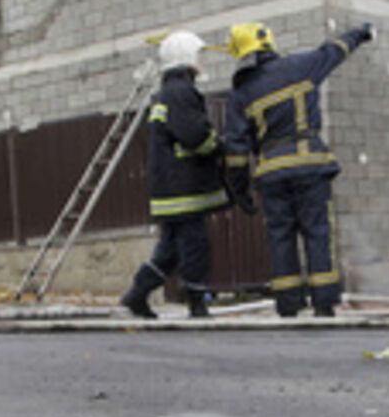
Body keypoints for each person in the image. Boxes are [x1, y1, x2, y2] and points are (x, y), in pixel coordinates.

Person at [223, 20, 374, 318]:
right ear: (269, 43)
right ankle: (323, 303)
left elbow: (236, 151)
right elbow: (336, 49)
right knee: (317, 232)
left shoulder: (241, 94)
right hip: (310, 167)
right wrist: (361, 32)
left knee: (280, 236)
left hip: (271, 175)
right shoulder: (302, 65)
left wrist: (239, 191)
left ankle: (288, 304)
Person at [119, 31, 230, 319]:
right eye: (199, 55)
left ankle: (137, 294)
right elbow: (195, 136)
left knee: (170, 249)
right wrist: (220, 146)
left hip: (169, 187)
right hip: (185, 187)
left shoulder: (165, 93)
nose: (202, 61)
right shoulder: (182, 92)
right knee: (195, 245)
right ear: (187, 56)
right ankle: (197, 302)